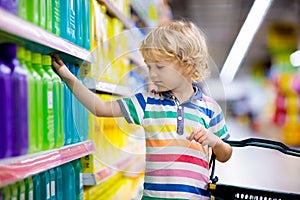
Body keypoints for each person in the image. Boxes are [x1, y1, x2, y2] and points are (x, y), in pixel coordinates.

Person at [51, 20, 232, 199]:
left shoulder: (210, 108)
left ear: (187, 64)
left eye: (160, 67)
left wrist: (215, 141)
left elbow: (225, 154)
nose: (152, 74)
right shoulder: (147, 102)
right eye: (149, 66)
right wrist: (68, 77)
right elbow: (101, 108)